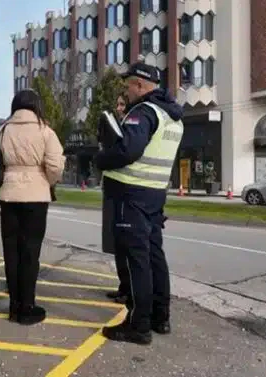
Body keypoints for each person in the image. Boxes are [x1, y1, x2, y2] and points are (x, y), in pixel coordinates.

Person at [96, 62, 184, 345]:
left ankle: (138, 325)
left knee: (137, 260)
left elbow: (128, 150)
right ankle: (161, 317)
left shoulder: (143, 112)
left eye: (128, 85)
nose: (127, 90)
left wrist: (101, 158)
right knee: (154, 256)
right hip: (154, 195)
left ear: (139, 85)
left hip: (131, 195)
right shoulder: (173, 117)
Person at [0, 89, 65, 325]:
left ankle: (14, 306)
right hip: (36, 194)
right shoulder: (45, 131)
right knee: (30, 252)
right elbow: (55, 166)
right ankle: (28, 305)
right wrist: (48, 180)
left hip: (9, 194)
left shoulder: (4, 130)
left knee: (11, 252)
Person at [103, 93, 130, 305]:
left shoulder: (132, 127)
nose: (119, 108)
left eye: (122, 104)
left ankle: (128, 290)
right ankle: (123, 287)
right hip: (114, 190)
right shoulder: (119, 126)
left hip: (126, 193)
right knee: (117, 244)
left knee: (126, 246)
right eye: (117, 104)